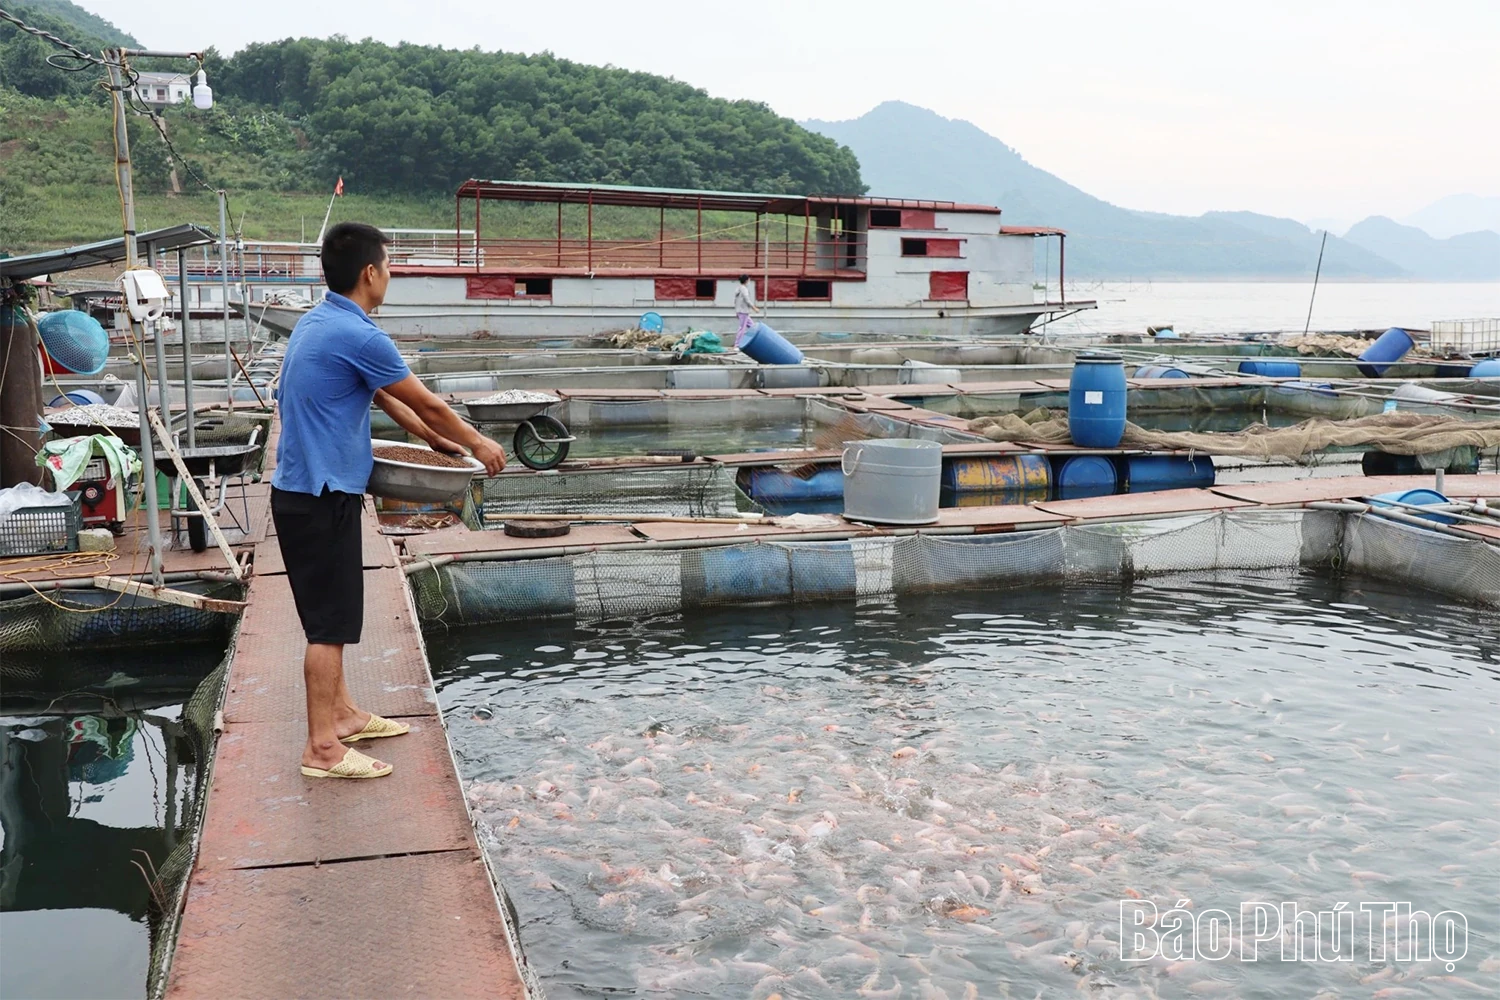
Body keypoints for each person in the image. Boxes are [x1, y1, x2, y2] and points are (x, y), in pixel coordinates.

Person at [272, 222, 507, 780]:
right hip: (320, 496)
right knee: (329, 627)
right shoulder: (361, 335)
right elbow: (427, 402)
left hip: (304, 491)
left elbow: (380, 393)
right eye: (389, 266)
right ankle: (321, 748)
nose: (390, 276)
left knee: (334, 616)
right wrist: (478, 443)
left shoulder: (317, 322)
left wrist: (431, 440)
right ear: (370, 272)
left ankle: (343, 715)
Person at [733, 274, 759, 344]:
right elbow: (747, 300)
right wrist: (754, 308)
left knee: (752, 326)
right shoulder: (744, 289)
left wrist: (736, 311)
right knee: (742, 328)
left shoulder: (738, 288)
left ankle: (754, 341)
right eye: (749, 279)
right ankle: (737, 344)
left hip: (740, 311)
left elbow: (735, 301)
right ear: (746, 280)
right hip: (743, 311)